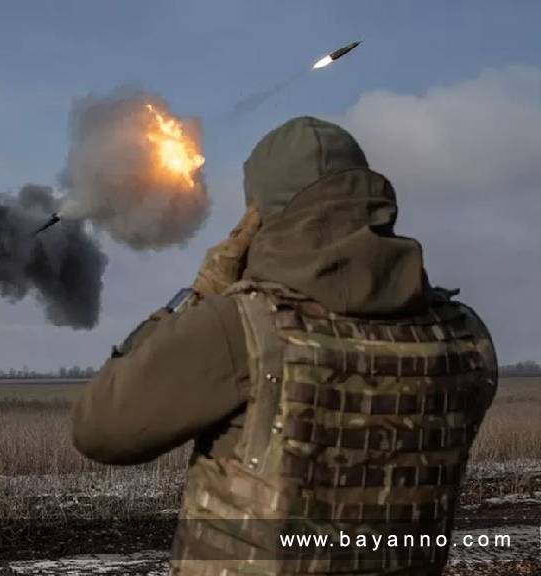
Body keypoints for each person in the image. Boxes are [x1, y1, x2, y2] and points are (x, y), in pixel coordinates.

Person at [72, 117, 497, 575]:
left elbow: (100, 429)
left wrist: (198, 297)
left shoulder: (240, 326)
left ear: (258, 217)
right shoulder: (462, 335)